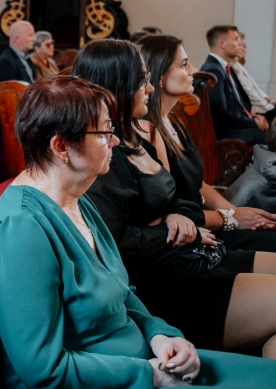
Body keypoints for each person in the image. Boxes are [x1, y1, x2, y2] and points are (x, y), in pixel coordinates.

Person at [0, 75, 276, 388]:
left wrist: (161, 335)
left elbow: (121, 294)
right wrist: (150, 375)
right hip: (119, 379)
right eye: (105, 131)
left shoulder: (76, 199)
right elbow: (43, 369)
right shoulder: (19, 230)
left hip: (147, 361)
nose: (115, 141)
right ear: (61, 146)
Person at [74, 39, 276, 357]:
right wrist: (186, 226)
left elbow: (178, 199)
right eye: (142, 81)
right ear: (118, 86)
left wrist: (176, 217)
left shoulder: (133, 139)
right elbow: (112, 244)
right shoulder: (102, 157)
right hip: (162, 287)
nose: (150, 88)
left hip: (191, 258)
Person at [138, 34, 276, 252]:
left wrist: (236, 212)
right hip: (191, 233)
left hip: (208, 220)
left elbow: (199, 184)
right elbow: (170, 209)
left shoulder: (173, 121)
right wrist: (231, 219)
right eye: (184, 64)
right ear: (160, 76)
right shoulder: (148, 131)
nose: (193, 70)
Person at [200, 25, 267, 146]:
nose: (240, 43)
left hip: (239, 125)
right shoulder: (213, 70)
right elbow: (220, 114)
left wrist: (254, 118)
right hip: (230, 133)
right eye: (236, 39)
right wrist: (254, 123)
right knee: (270, 137)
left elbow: (240, 104)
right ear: (222, 43)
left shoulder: (223, 67)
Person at [230, 34, 276, 123]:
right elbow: (247, 94)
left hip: (261, 106)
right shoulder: (232, 67)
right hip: (255, 110)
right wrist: (267, 104)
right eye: (241, 44)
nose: (245, 46)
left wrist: (268, 100)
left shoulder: (238, 66)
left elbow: (255, 89)